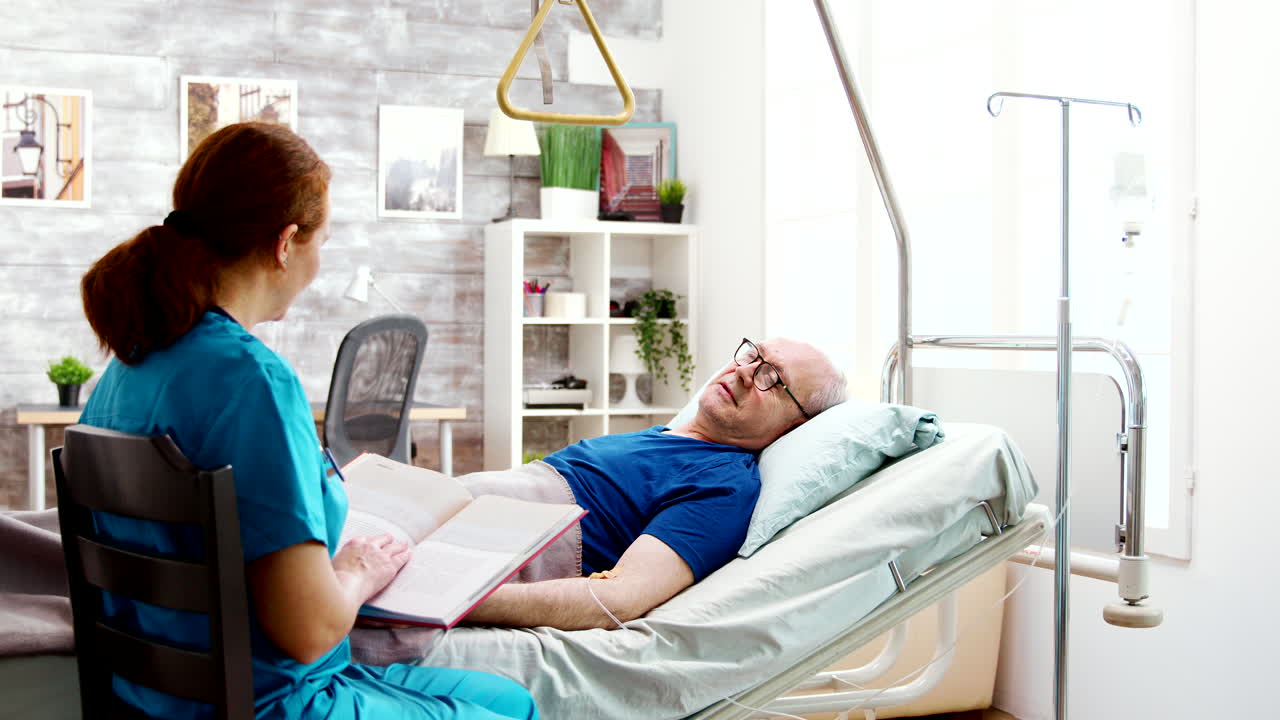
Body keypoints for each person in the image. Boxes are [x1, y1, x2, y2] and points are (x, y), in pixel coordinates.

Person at [78, 122, 538, 720]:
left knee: (510, 696)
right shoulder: (252, 382)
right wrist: (359, 569)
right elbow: (310, 629)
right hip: (272, 704)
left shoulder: (128, 366)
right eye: (322, 239)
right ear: (286, 242)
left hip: (152, 696)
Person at [462, 337, 846, 631]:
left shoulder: (723, 486)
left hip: (479, 543)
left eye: (772, 378)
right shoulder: (668, 436)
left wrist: (458, 599)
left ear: (795, 424)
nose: (745, 372)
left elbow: (618, 598)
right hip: (457, 507)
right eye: (751, 355)